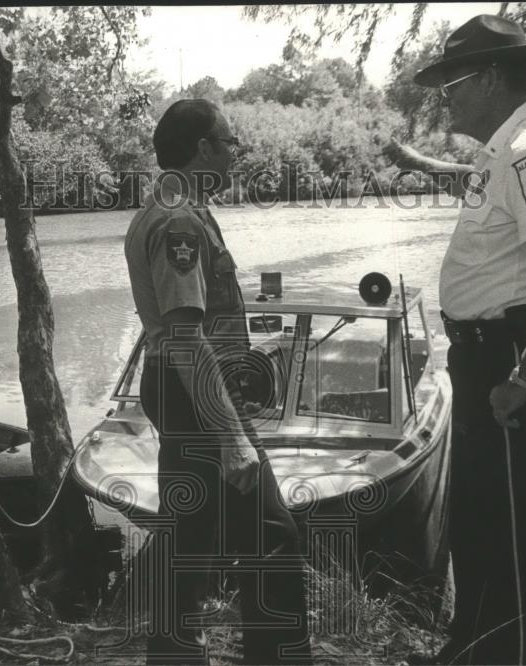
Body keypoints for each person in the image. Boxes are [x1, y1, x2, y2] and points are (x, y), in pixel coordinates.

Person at [383, 15, 526, 665]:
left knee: (501, 526)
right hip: (482, 356)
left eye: (454, 78)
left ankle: (518, 655)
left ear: (489, 79)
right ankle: (475, 647)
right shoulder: (500, 151)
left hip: (507, 357)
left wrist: (525, 378)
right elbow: (480, 186)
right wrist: (419, 162)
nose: (445, 92)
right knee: (477, 517)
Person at [124, 99, 312, 665]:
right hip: (196, 391)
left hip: (186, 388)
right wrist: (230, 438)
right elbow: (185, 335)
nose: (235, 154)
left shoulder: (179, 207)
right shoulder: (179, 218)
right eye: (230, 143)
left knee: (190, 536)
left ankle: (174, 655)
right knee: (273, 536)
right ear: (203, 148)